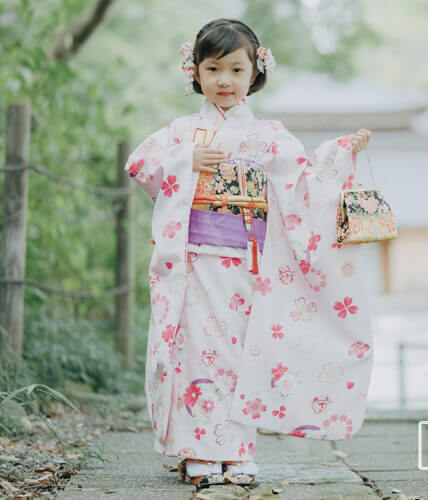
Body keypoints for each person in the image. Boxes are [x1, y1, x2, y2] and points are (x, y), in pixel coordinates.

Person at [125, 18, 374, 486]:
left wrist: (341, 152)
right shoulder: (182, 132)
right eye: (213, 68)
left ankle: (236, 451)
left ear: (255, 73)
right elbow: (140, 164)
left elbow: (305, 187)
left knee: (243, 354)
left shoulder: (270, 136)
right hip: (194, 263)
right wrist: (184, 162)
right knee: (194, 351)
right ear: (194, 71)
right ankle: (195, 449)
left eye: (236, 70)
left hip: (248, 264)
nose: (224, 80)